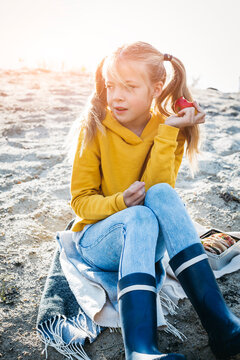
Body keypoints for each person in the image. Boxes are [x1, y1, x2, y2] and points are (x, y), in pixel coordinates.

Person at [69, 42, 240, 360]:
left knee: (159, 196)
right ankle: (141, 350)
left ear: (156, 88)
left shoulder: (165, 127)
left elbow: (160, 191)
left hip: (147, 243)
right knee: (138, 216)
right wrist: (119, 202)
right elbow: (80, 202)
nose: (116, 96)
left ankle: (223, 327)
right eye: (110, 86)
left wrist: (168, 130)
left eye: (129, 87)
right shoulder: (94, 127)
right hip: (99, 241)